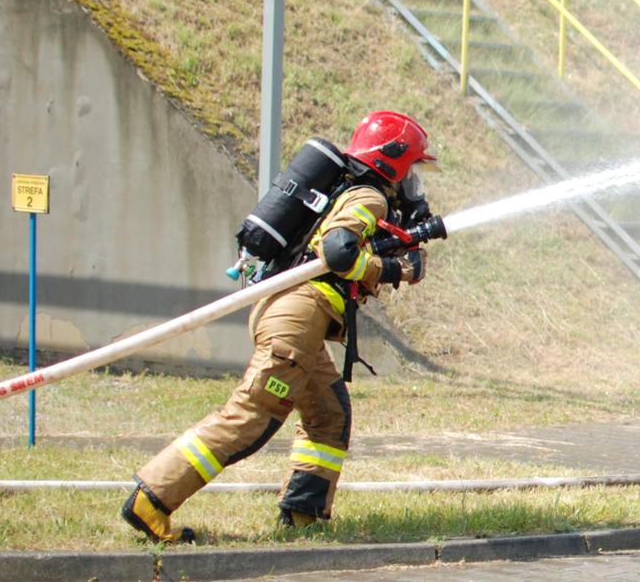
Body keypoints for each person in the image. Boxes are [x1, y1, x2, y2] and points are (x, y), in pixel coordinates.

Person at [121, 111, 438, 542]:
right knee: (252, 415)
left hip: (292, 311)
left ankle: (303, 515)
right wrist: (388, 269)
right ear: (392, 161)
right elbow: (338, 252)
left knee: (329, 415)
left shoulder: (350, 191)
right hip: (298, 316)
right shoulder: (370, 198)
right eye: (412, 172)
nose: (413, 186)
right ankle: (153, 499)